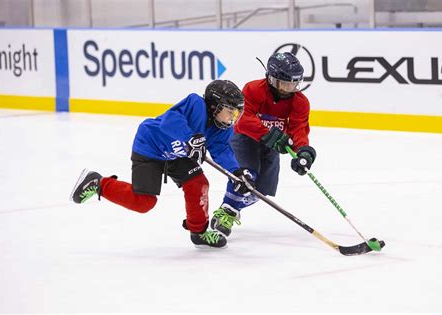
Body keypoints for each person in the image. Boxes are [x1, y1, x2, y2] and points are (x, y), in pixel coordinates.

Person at [69, 80, 254, 249]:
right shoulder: (196, 103)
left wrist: (236, 173)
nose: (233, 118)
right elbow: (170, 120)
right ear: (215, 106)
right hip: (150, 146)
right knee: (144, 203)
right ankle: (97, 183)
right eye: (230, 112)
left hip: (177, 155)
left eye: (236, 113)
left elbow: (222, 151)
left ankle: (199, 232)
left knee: (198, 184)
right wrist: (189, 139)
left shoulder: (221, 129)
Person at [211, 52, 317, 237]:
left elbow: (299, 128)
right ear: (271, 77)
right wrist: (269, 134)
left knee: (261, 191)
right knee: (246, 176)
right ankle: (226, 215)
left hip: (272, 145)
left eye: (294, 84)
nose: (289, 88)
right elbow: (243, 120)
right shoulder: (253, 89)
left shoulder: (300, 101)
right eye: (285, 83)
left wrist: (303, 151)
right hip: (245, 138)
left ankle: (230, 206)